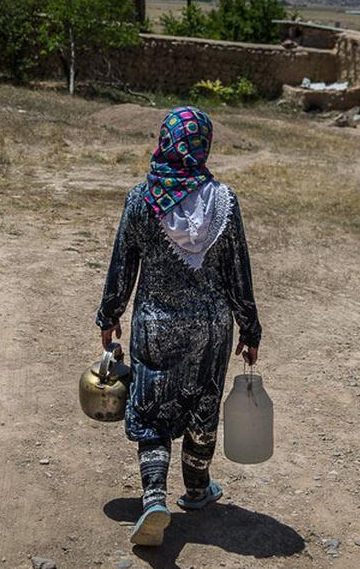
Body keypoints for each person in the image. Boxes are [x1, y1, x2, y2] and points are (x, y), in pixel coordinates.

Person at [96, 106, 262, 547]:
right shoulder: (223, 201)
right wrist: (250, 329)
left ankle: (153, 497)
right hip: (210, 327)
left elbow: (122, 264)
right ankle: (196, 488)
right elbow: (237, 271)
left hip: (156, 323)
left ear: (164, 141)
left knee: (152, 409)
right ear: (203, 145)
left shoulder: (140, 200)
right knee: (202, 403)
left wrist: (109, 316)